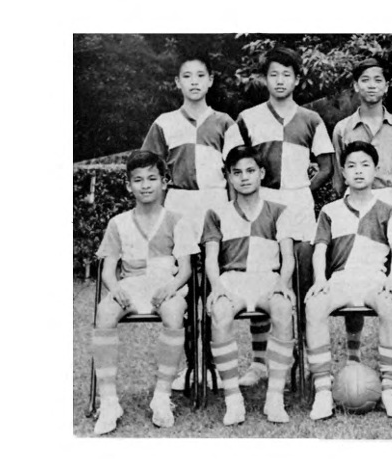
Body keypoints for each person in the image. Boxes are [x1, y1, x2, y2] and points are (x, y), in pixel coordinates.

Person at [140, 55, 244, 391]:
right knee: (182, 287)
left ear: (211, 80)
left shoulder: (225, 122)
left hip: (214, 205)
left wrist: (232, 213)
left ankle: (213, 366)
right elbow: (149, 172)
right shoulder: (164, 123)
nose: (195, 81)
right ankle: (189, 367)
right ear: (177, 82)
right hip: (180, 205)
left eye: (201, 75)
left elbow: (236, 172)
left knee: (215, 285)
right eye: (187, 76)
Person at [235, 47, 335, 387]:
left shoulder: (311, 119)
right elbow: (234, 164)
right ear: (265, 79)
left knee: (302, 277)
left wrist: (302, 189)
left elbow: (326, 166)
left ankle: (306, 355)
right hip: (261, 202)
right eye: (274, 74)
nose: (280, 81)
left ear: (297, 79)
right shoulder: (248, 118)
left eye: (287, 75)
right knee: (262, 275)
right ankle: (260, 362)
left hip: (298, 204)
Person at [90, 151, 199, 434]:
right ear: (129, 186)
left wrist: (171, 287)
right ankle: (109, 401)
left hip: (165, 283)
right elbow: (108, 271)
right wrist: (115, 289)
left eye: (152, 178)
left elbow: (185, 269)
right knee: (104, 311)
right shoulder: (118, 223)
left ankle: (161, 397)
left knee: (174, 311)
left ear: (165, 182)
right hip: (131, 284)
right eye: (138, 180)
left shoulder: (177, 220)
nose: (145, 185)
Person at [305, 141, 392, 420]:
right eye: (351, 166)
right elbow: (320, 250)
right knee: (314, 306)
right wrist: (320, 279)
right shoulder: (329, 210)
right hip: (341, 279)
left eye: (365, 165)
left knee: (389, 305)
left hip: (374, 278)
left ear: (376, 169)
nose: (359, 171)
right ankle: (323, 392)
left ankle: (390, 389)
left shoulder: (390, 209)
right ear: (343, 172)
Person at [201, 145, 301, 425]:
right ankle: (233, 399)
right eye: (237, 173)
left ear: (262, 173)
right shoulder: (216, 213)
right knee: (220, 311)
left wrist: (283, 283)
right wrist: (216, 287)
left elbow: (288, 257)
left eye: (250, 171)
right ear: (228, 177)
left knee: (282, 306)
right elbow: (211, 259)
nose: (244, 177)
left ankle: (275, 397)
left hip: (267, 276)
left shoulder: (279, 211)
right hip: (232, 279)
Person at [331, 58, 392, 364]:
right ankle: (353, 355)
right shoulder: (343, 128)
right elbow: (339, 177)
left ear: (387, 86)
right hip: (354, 201)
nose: (372, 85)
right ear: (355, 85)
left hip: (388, 200)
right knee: (354, 271)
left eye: (378, 79)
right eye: (365, 79)